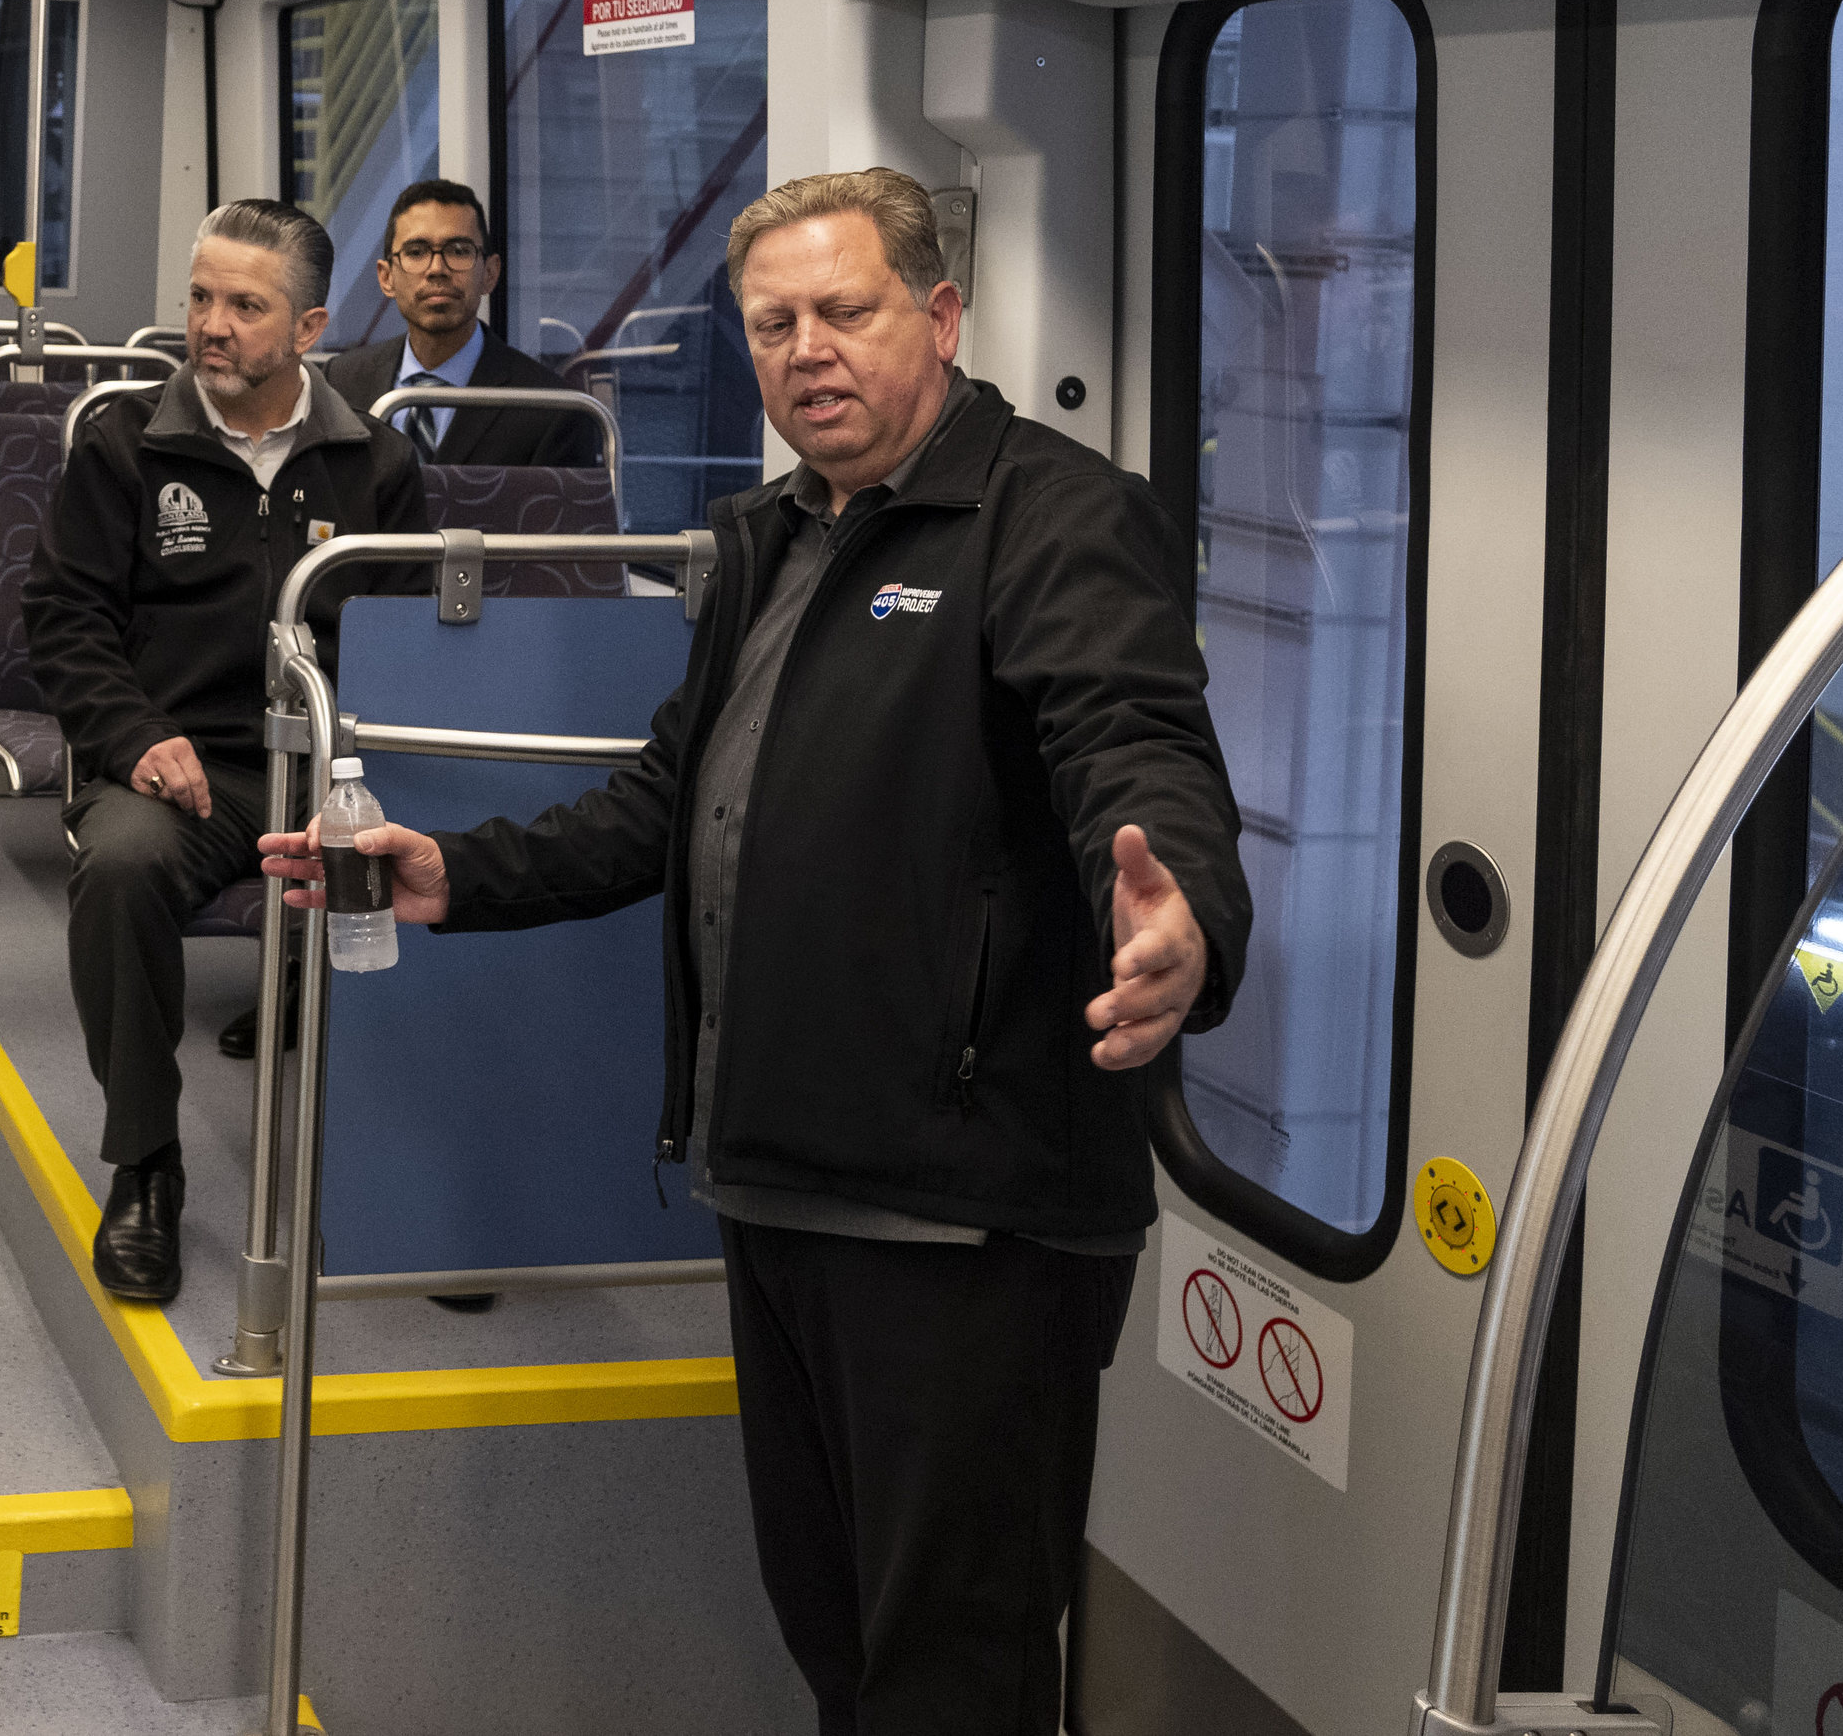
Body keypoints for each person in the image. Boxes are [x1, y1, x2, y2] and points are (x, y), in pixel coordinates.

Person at [264, 168, 1250, 1731]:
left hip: (963, 1205)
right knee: (834, 1629)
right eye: (774, 323)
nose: (808, 352)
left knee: (955, 1665)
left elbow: (1131, 742)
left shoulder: (1053, 516)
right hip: (777, 1168)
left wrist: (1181, 903)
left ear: (937, 316)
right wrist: (462, 869)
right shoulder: (771, 538)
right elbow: (682, 799)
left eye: (846, 313)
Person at [21, 197, 429, 1306]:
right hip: (185, 768)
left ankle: (411, 1184)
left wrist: (365, 771)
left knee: (448, 868)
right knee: (121, 867)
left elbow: (410, 637)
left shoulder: (377, 467)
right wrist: (135, 736)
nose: (211, 324)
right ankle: (145, 1161)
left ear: (307, 329)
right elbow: (63, 622)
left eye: (245, 305)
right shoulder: (124, 449)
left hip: (335, 768)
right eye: (200, 297)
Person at [322, 176, 602, 467]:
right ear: (386, 277)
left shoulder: (553, 409)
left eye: (459, 251)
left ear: (490, 274)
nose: (437, 269)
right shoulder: (340, 383)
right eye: (416, 252)